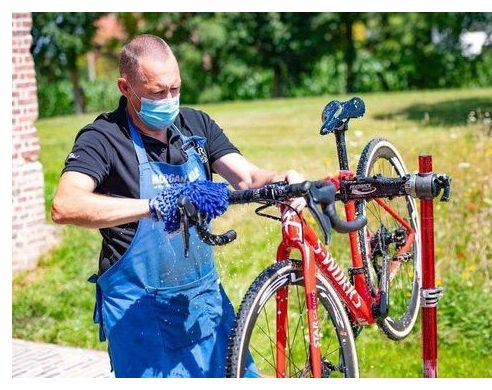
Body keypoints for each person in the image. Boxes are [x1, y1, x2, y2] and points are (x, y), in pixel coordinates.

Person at [51, 34, 305, 378]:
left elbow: (247, 177)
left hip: (203, 304)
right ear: (125, 87)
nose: (169, 100)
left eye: (175, 89)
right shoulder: (103, 138)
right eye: (157, 92)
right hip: (139, 316)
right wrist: (153, 206)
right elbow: (65, 205)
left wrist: (282, 180)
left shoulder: (195, 126)